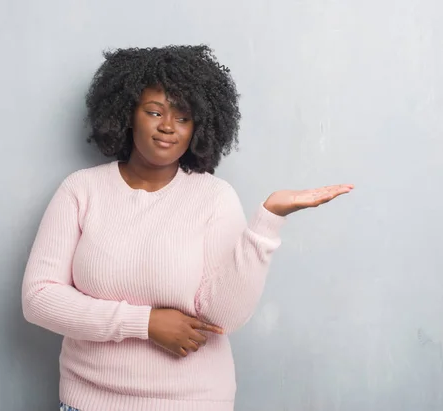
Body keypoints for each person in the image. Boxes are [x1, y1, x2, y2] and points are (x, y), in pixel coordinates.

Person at [22, 44, 353, 411]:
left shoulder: (213, 198)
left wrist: (268, 221)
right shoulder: (81, 190)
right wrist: (144, 323)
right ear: (127, 113)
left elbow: (223, 317)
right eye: (154, 112)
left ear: (199, 126)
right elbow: (39, 299)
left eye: (183, 117)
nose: (168, 127)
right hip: (87, 402)